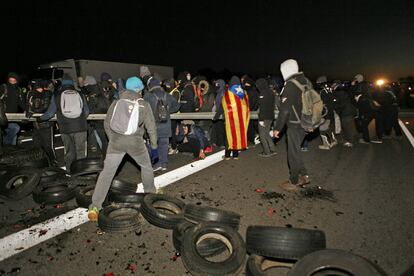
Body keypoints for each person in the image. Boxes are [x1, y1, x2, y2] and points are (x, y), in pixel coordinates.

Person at [88, 76, 158, 222]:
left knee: (107, 173)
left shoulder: (116, 102)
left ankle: (95, 206)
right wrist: (154, 146)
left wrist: (112, 138)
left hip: (116, 143)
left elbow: (107, 123)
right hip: (135, 143)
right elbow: (151, 128)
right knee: (146, 166)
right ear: (139, 89)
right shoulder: (143, 104)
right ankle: (150, 193)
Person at [273, 59, 311, 191]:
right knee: (296, 150)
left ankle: (294, 180)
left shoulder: (290, 85)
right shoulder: (305, 81)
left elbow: (285, 110)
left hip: (295, 124)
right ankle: (304, 174)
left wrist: (277, 128)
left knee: (292, 153)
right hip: (306, 122)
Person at [40, 74, 89, 173]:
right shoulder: (80, 94)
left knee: (69, 152)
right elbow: (87, 112)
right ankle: (82, 174)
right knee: (81, 152)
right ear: (72, 83)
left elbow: (50, 113)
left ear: (62, 83)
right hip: (80, 127)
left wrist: (40, 118)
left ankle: (70, 172)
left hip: (65, 129)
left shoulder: (57, 95)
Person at [144, 77, 180, 171]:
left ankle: (156, 164)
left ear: (150, 86)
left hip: (153, 125)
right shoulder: (167, 95)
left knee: (153, 144)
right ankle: (163, 164)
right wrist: (168, 111)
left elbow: (143, 110)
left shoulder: (147, 96)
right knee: (164, 144)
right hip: (165, 124)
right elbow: (177, 106)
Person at [25, 79, 57, 165]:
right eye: (36, 88)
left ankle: (53, 162)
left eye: (39, 87)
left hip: (46, 124)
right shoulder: (32, 95)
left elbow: (45, 108)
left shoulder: (47, 94)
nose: (38, 89)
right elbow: (28, 106)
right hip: (36, 125)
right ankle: (40, 163)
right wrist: (28, 111)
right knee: (37, 145)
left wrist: (33, 111)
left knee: (48, 146)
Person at [221, 76, 250, 160]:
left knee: (229, 135)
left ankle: (227, 155)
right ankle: (235, 155)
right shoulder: (243, 93)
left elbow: (222, 106)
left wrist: (216, 116)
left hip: (230, 119)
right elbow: (247, 105)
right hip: (240, 120)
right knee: (237, 135)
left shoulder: (228, 93)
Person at [0, 72, 25, 145]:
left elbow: (21, 103)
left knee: (14, 136)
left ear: (17, 81)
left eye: (14, 81)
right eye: (10, 81)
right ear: (8, 80)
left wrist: (26, 110)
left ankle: (11, 152)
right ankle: (5, 141)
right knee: (15, 128)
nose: (12, 83)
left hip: (13, 117)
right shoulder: (3, 87)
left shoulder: (18, 90)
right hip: (2, 117)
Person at [332, 81, 357, 147]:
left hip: (345, 112)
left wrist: (336, 108)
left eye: (333, 85)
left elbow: (340, 104)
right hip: (350, 110)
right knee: (349, 126)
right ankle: (349, 139)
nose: (332, 86)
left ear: (336, 85)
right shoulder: (344, 91)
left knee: (347, 127)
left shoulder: (338, 93)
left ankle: (350, 142)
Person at [256, 78, 277, 157]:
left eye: (257, 85)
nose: (257, 87)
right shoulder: (271, 92)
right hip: (270, 116)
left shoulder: (262, 93)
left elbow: (262, 107)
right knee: (267, 134)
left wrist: (261, 120)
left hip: (264, 117)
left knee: (262, 135)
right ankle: (272, 149)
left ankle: (266, 152)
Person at [316, 75, 338, 150]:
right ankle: (333, 140)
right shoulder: (330, 89)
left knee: (322, 128)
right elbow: (334, 100)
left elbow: (322, 103)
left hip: (325, 113)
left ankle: (326, 145)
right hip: (331, 112)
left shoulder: (322, 91)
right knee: (328, 128)